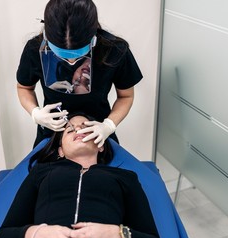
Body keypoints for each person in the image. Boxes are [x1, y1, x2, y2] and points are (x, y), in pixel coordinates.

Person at [0, 113, 162, 238]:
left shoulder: (126, 178)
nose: (77, 130)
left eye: (85, 128)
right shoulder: (41, 172)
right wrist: (38, 235)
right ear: (60, 151)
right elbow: (4, 237)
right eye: (69, 130)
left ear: (100, 144)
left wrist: (118, 234)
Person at [17, 0, 143, 148]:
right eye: (63, 55)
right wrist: (35, 113)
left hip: (98, 131)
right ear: (47, 36)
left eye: (77, 54)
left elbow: (126, 96)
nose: (71, 61)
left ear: (93, 37)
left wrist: (108, 125)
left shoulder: (115, 51)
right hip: (52, 131)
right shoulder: (34, 49)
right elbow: (24, 88)